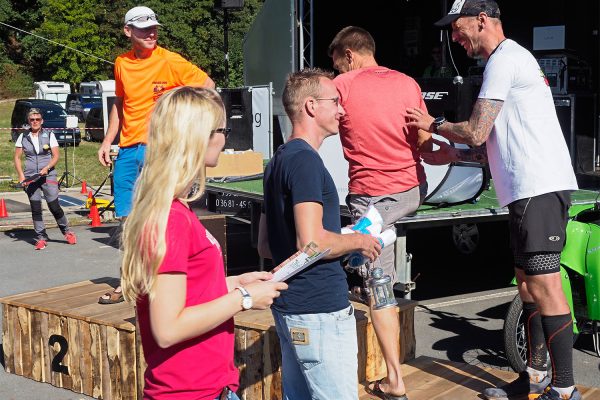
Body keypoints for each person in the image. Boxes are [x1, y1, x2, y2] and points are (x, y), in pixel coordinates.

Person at [406, 1, 580, 399]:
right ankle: (535, 380)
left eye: (457, 26)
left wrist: (433, 124)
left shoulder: (505, 60)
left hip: (539, 186)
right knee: (526, 285)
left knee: (545, 285)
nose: (454, 36)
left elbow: (476, 131)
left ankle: (565, 389)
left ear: (481, 21)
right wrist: (452, 154)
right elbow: (488, 145)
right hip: (526, 190)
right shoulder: (505, 61)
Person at [120, 86, 287, 400]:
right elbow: (167, 329)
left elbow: (187, 293)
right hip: (191, 392)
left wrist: (234, 282)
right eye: (222, 129)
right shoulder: (172, 218)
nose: (226, 137)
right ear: (198, 137)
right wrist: (244, 298)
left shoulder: (175, 210)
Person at [257, 69, 382, 399]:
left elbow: (266, 245)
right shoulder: (305, 162)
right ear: (311, 106)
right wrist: (358, 240)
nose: (341, 110)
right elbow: (311, 243)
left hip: (289, 306)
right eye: (335, 102)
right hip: (319, 310)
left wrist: (335, 237)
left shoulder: (277, 161)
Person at [327, 26, 431, 400]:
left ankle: (394, 381)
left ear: (349, 55)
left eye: (337, 64)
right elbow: (424, 138)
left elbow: (315, 123)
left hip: (371, 197)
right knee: (373, 272)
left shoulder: (344, 85)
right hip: (411, 192)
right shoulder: (406, 82)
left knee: (376, 282)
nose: (337, 72)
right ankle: (362, 265)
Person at [97, 5, 215, 304]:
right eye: (143, 27)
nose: (151, 32)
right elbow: (121, 104)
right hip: (126, 150)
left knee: (161, 216)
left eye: (153, 27)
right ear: (128, 31)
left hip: (158, 149)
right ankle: (128, 282)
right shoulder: (121, 63)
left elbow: (208, 87)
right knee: (126, 220)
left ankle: (163, 281)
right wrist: (107, 140)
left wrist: (188, 131)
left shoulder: (170, 61)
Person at [13, 108, 77, 250]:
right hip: (30, 177)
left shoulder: (49, 135)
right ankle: (41, 237)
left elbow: (56, 156)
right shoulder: (23, 137)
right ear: (28, 121)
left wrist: (47, 167)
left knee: (54, 206)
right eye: (32, 119)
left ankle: (67, 231)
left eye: (37, 119)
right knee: (36, 208)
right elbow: (17, 158)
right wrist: (21, 176)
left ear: (42, 121)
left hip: (48, 175)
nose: (35, 122)